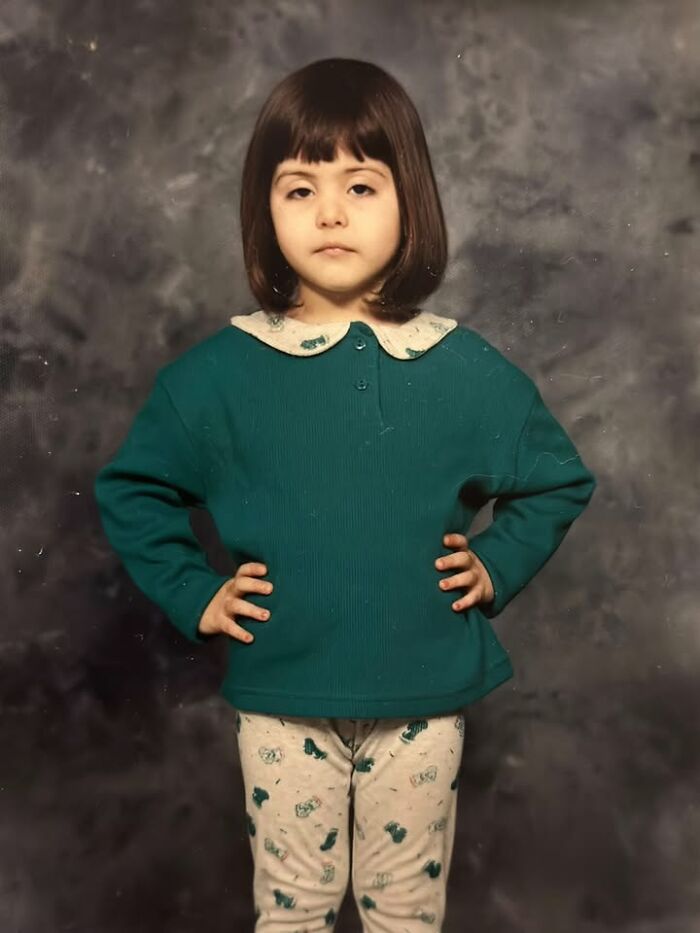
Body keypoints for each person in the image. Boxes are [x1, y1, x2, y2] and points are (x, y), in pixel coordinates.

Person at [94, 58, 597, 932]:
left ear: (412, 203)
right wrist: (197, 592)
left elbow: (558, 478)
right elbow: (132, 488)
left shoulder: (465, 370)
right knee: (293, 908)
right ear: (265, 212)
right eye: (299, 189)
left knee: (403, 909)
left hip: (422, 695)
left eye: (360, 185)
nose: (329, 212)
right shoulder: (218, 376)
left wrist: (495, 564)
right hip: (283, 694)